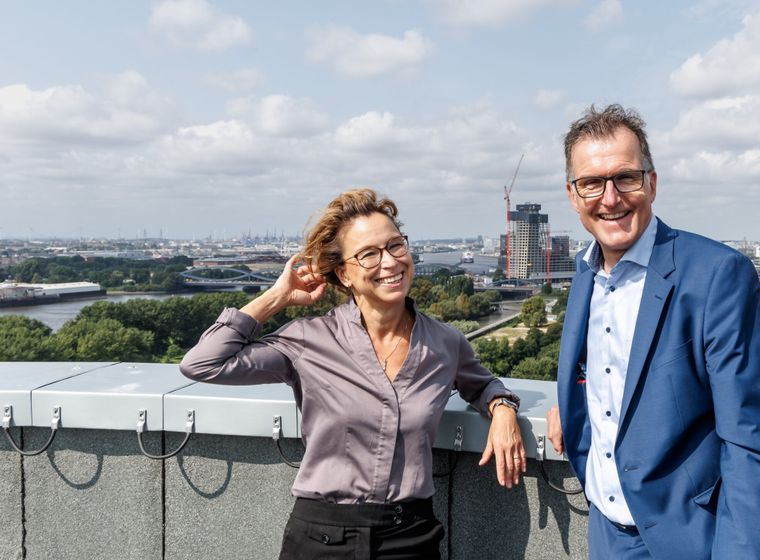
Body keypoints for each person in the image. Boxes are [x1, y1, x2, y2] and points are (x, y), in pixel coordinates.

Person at [180, 188, 526, 560]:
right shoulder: (309, 339)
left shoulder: (444, 342)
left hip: (411, 537)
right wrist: (278, 296)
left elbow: (483, 384)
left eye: (396, 245)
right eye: (369, 254)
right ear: (343, 273)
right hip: (320, 538)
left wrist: (503, 409)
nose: (390, 262)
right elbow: (204, 363)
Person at [546, 105, 760, 559]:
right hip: (605, 527)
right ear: (573, 195)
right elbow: (613, 368)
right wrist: (577, 400)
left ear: (652, 182)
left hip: (687, 535)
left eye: (626, 178)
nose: (610, 198)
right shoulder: (585, 271)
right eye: (591, 183)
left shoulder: (716, 274)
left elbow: (749, 439)